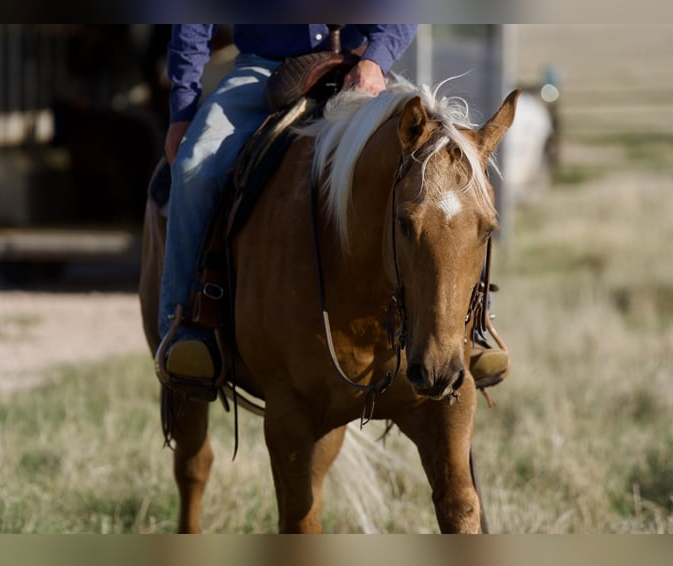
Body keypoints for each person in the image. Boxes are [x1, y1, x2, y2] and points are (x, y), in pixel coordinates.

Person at [157, 24, 509, 400]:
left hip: (363, 70)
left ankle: (475, 326)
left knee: (445, 171)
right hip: (261, 69)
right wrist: (182, 110)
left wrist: (376, 58)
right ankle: (188, 326)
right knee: (194, 166)